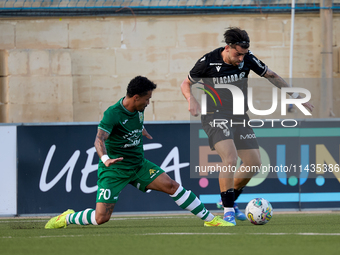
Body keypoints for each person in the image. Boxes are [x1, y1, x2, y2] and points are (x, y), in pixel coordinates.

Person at [45, 75, 233, 229]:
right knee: (100, 218)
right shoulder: (113, 114)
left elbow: (135, 124)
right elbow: (99, 139)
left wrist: (141, 130)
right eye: (147, 99)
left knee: (172, 186)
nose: (148, 102)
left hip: (139, 165)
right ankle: (67, 218)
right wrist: (104, 158)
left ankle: (210, 220)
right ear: (136, 97)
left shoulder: (138, 110)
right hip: (115, 169)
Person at [180, 27, 314, 226]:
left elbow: (272, 75)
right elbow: (185, 83)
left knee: (254, 163)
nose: (241, 58)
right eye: (238, 54)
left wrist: (295, 95)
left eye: (244, 54)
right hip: (214, 116)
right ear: (228, 48)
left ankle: (229, 200)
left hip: (239, 117)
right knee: (230, 158)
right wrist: (191, 99)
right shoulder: (208, 62)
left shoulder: (248, 58)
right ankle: (227, 212)